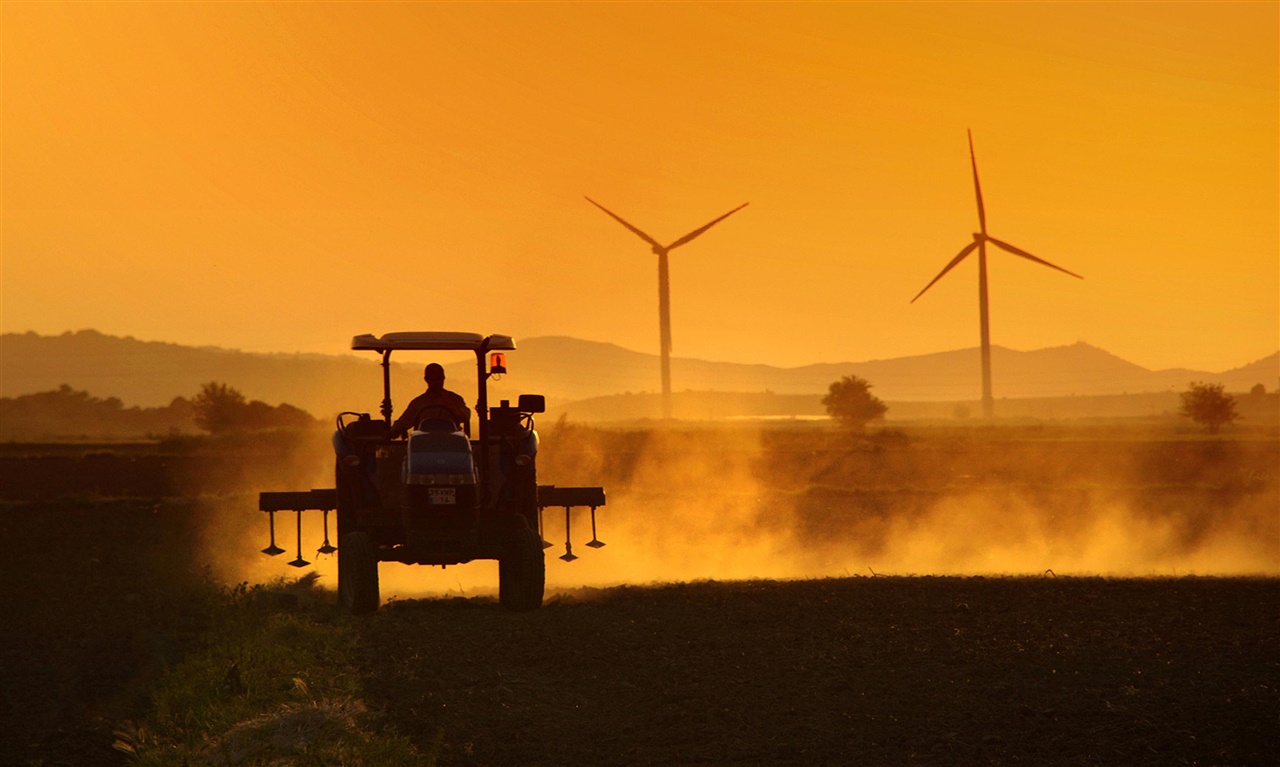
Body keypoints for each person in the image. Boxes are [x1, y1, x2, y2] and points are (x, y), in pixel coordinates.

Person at [390, 363, 471, 437]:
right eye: (434, 379)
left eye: (440, 378)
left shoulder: (455, 399)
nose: (438, 382)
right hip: (424, 444)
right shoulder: (418, 403)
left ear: (444, 378)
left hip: (451, 442)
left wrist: (451, 406)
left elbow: (465, 417)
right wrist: (393, 431)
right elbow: (404, 421)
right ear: (426, 379)